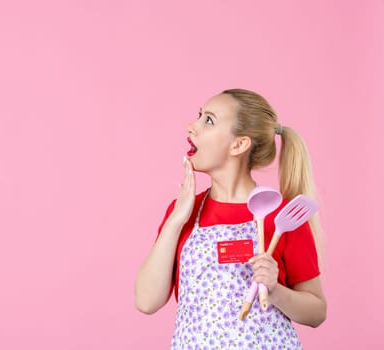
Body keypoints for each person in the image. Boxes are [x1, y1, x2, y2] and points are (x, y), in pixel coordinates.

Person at [134, 89, 327, 349]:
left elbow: (316, 312)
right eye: (199, 116)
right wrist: (176, 219)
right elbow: (147, 302)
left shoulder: (281, 217)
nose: (192, 127)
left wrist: (274, 289)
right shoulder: (182, 213)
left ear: (239, 144)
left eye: (209, 121)